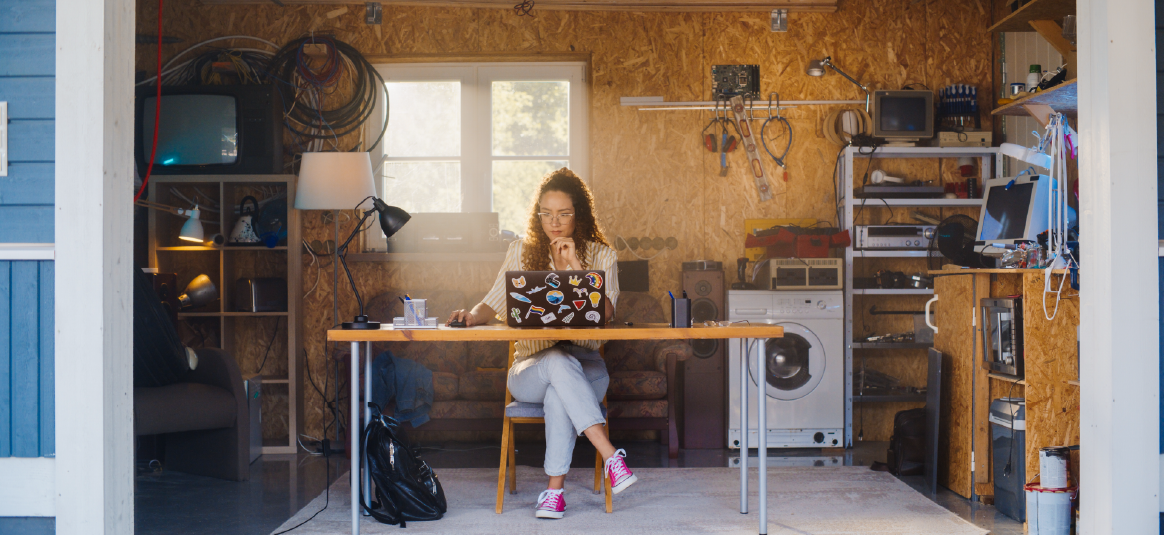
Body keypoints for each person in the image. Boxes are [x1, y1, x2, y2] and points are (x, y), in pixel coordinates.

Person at [447, 168, 637, 520]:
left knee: (559, 386)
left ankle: (554, 495)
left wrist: (577, 268)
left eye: (564, 214)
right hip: (529, 368)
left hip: (587, 368)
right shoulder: (521, 251)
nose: (554, 222)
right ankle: (611, 457)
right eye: (546, 214)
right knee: (555, 363)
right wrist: (472, 315)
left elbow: (606, 313)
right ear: (538, 215)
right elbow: (493, 301)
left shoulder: (602, 256)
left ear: (579, 214)